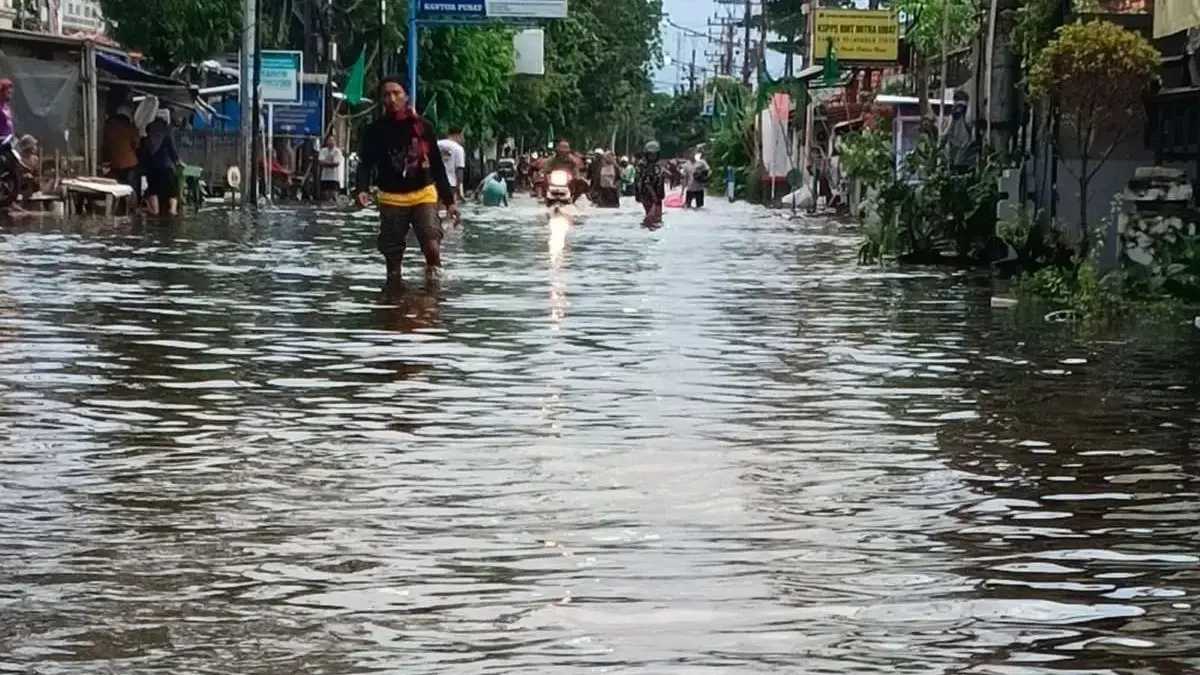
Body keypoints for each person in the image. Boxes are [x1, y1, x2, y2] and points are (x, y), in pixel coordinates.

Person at [354, 76, 458, 284]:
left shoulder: (422, 127)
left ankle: (434, 288)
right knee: (392, 259)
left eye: (396, 93)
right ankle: (393, 296)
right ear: (382, 99)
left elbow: (437, 166)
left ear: (406, 96)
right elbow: (365, 164)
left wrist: (450, 201)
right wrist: (361, 189)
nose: (392, 99)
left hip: (423, 194)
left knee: (431, 244)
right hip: (391, 198)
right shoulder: (375, 131)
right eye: (387, 95)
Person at [140, 110, 180, 215]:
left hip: (152, 167)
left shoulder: (149, 133)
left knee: (153, 190)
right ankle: (173, 210)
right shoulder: (167, 133)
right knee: (172, 191)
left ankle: (154, 210)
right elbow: (172, 151)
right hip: (166, 167)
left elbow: (144, 150)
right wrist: (177, 161)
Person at [103, 105, 141, 205]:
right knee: (131, 189)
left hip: (115, 164)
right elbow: (136, 145)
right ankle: (132, 208)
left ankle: (119, 206)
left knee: (117, 189)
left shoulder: (109, 127)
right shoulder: (130, 127)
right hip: (131, 163)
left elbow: (105, 145)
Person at [636, 141, 665, 229]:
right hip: (648, 195)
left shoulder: (657, 167)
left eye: (654, 155)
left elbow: (660, 181)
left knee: (657, 219)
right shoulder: (643, 167)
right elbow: (644, 182)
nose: (652, 157)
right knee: (651, 218)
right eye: (650, 155)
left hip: (657, 195)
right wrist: (653, 196)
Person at [438, 127, 467, 201]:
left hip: (434, 182)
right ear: (457, 135)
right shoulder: (458, 148)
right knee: (450, 206)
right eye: (462, 136)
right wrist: (460, 190)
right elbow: (459, 169)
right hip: (450, 184)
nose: (463, 139)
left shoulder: (437, 144)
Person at [318, 134, 344, 201]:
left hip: (334, 178)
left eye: (333, 140)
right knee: (325, 196)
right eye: (329, 140)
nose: (331, 142)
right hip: (325, 177)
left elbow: (336, 163)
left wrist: (326, 162)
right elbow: (321, 162)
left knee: (334, 196)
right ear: (327, 141)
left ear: (335, 141)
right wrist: (331, 162)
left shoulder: (337, 151)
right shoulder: (323, 150)